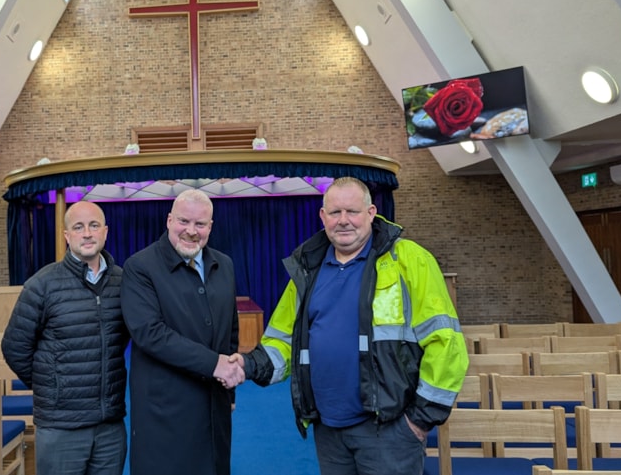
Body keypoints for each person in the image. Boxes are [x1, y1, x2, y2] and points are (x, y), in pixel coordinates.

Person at [237, 177, 469, 475]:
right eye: (335, 213)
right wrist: (245, 364)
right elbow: (283, 341)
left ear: (371, 213)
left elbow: (446, 343)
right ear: (323, 217)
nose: (343, 220)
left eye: (352, 211)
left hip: (389, 431)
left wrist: (419, 420)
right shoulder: (308, 269)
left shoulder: (410, 260)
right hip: (329, 429)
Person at [121, 189, 244, 475]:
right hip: (164, 414)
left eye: (200, 224)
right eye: (183, 222)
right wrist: (215, 365)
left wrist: (231, 388)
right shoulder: (140, 267)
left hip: (215, 405)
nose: (191, 231)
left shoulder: (224, 264)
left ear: (210, 227)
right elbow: (149, 333)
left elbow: (230, 330)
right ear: (168, 221)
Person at [2, 200, 128, 475]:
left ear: (105, 232)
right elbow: (14, 347)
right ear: (67, 235)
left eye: (94, 226)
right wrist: (53, 385)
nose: (87, 233)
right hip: (61, 427)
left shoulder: (124, 282)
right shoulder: (42, 285)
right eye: (79, 227)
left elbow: (126, 340)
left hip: (109, 427)